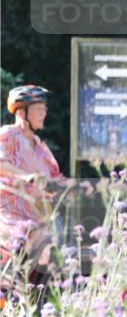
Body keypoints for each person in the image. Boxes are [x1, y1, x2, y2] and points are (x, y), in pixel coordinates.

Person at [0, 85, 63, 275]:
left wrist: (77, 186)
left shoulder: (40, 146)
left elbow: (55, 177)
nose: (44, 113)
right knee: (34, 237)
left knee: (56, 248)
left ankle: (35, 297)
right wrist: (25, 176)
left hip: (38, 215)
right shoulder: (8, 135)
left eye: (44, 108)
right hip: (10, 214)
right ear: (21, 112)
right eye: (38, 109)